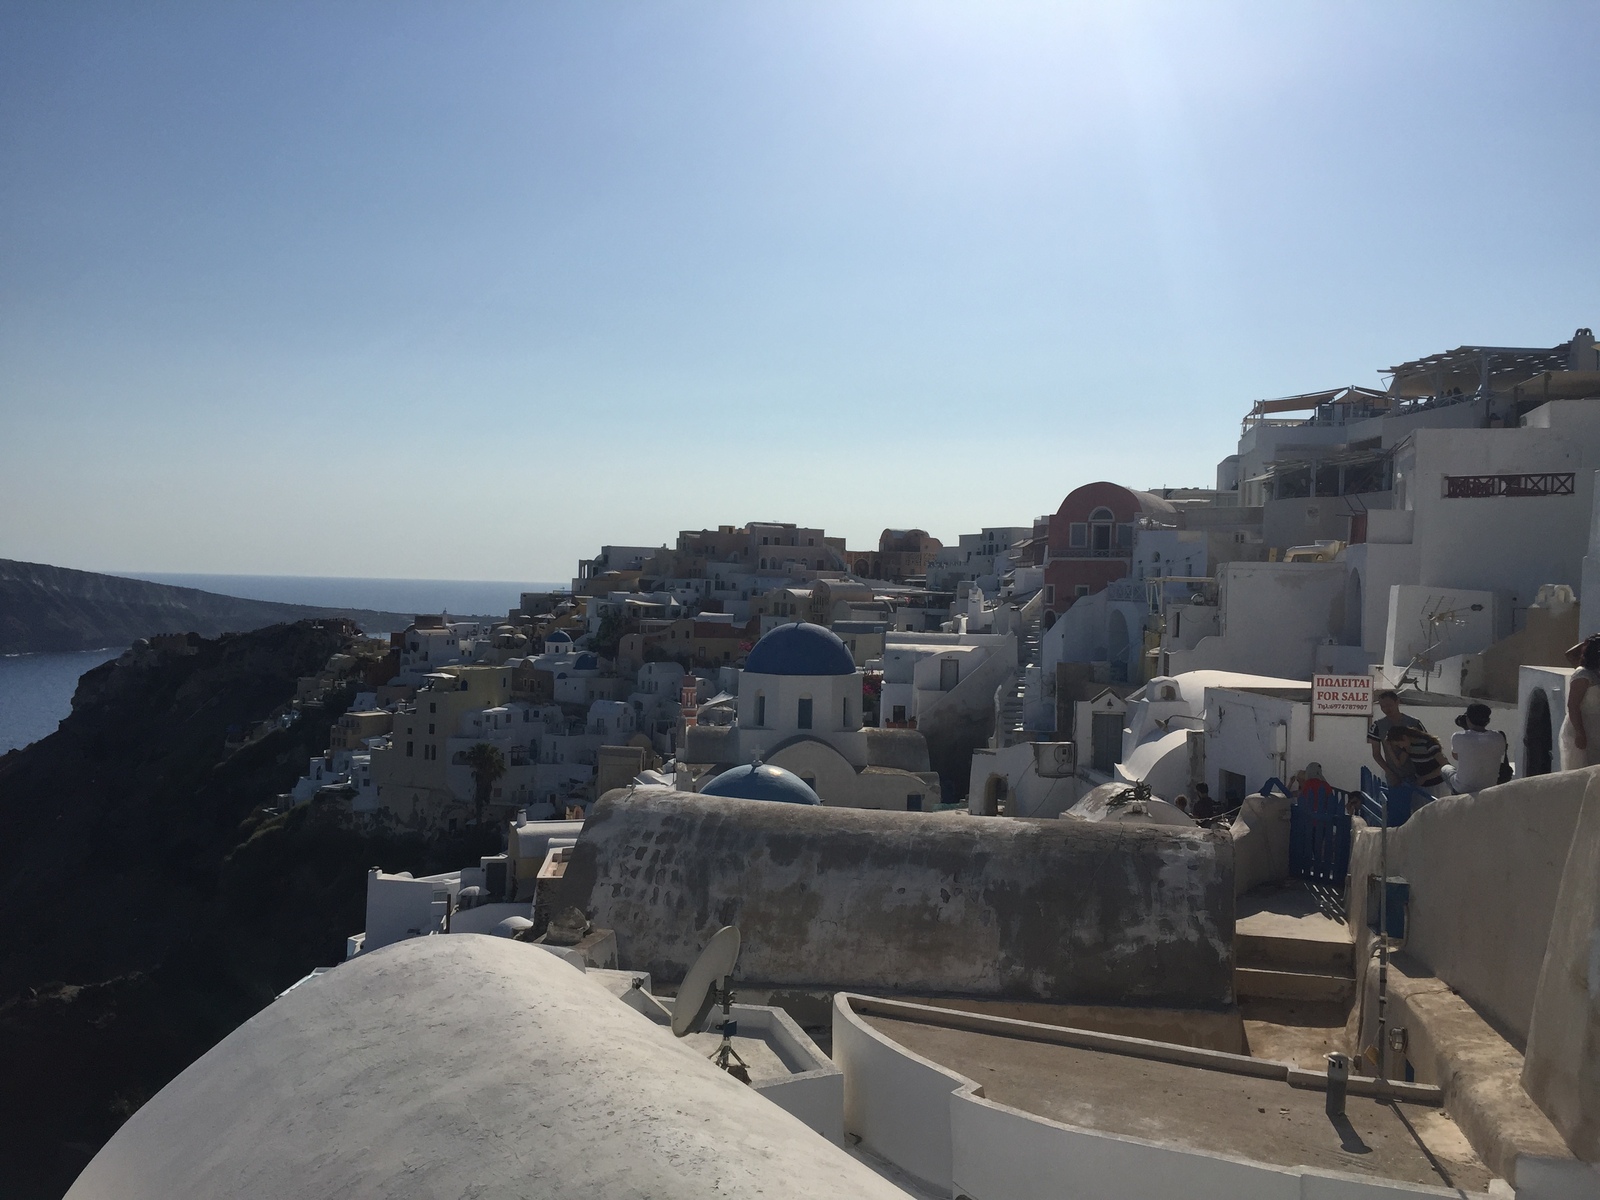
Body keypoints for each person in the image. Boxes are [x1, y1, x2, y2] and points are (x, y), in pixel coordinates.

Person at [1560, 635, 1600, 772]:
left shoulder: (1596, 672)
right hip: (1584, 727)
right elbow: (1573, 705)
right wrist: (1579, 732)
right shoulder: (1583, 673)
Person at [1368, 690, 1424, 784]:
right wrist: (1390, 773)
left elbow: (1425, 745)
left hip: (1417, 775)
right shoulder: (1378, 726)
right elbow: (1376, 754)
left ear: (1397, 702)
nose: (1387, 709)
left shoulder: (1414, 723)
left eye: (1389, 705)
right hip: (1394, 776)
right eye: (1383, 707)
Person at [1450, 703, 1507, 794]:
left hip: (1463, 789)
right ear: (1488, 721)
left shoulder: (1458, 736)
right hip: (1489, 787)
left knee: (1445, 769)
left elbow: (1456, 756)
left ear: (1467, 719)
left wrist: (1466, 730)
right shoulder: (1498, 737)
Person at [1388, 725, 1447, 798]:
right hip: (1421, 786)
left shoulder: (1428, 744)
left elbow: (1444, 765)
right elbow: (1399, 764)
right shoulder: (1408, 747)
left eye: (1399, 744)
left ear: (1404, 737)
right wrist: (1389, 748)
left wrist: (1425, 778)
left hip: (1437, 784)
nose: (1401, 747)